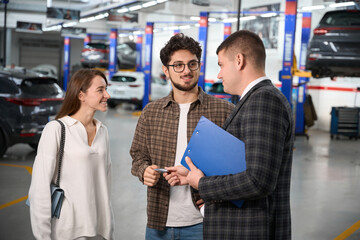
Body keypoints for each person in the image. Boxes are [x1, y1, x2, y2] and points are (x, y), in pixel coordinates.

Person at [166, 30, 294, 239]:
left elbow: (258, 180)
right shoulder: (253, 100)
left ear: (239, 61)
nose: (219, 74)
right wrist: (193, 175)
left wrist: (202, 183)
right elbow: (242, 165)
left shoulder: (263, 102)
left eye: (221, 65)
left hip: (251, 231)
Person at [130, 33, 234, 240]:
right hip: (158, 223)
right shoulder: (152, 112)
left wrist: (215, 193)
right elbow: (138, 156)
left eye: (192, 64)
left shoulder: (224, 111)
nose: (186, 71)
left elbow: (236, 166)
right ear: (166, 71)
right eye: (178, 65)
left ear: (199, 66)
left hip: (204, 223)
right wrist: (144, 171)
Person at [28, 69, 114, 240]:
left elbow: (106, 181)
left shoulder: (102, 131)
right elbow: (39, 189)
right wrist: (43, 236)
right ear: (81, 95)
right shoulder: (56, 129)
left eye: (106, 89)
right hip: (67, 230)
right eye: (100, 90)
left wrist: (109, 227)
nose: (107, 95)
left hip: (99, 229)